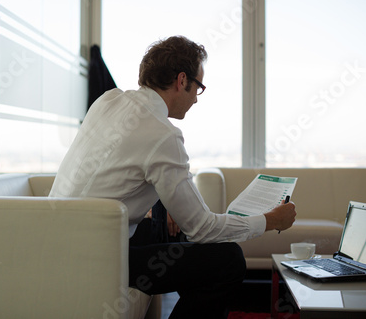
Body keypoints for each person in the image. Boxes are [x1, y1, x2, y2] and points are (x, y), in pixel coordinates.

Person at [49, 35, 296, 318]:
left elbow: (118, 170)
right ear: (182, 81)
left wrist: (167, 206)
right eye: (198, 87)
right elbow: (202, 228)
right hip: (93, 256)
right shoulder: (162, 134)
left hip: (62, 238)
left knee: (171, 236)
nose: (195, 99)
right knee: (229, 260)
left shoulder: (109, 99)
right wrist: (269, 221)